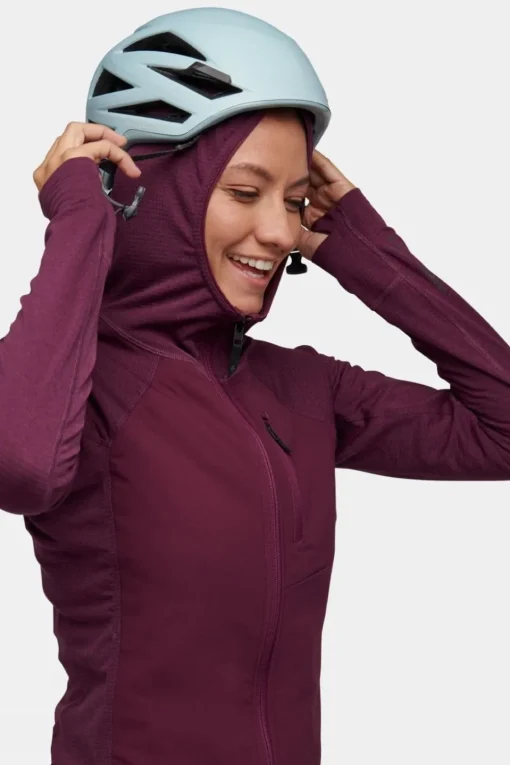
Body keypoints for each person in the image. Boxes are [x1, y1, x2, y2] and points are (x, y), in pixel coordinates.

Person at [1, 7, 509, 765]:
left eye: (295, 201)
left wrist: (364, 249)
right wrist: (81, 220)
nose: (278, 232)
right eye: (245, 192)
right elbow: (21, 467)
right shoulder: (82, 382)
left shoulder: (302, 387)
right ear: (142, 188)